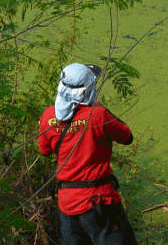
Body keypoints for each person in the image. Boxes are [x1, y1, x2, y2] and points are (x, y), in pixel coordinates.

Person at [38, 62, 138, 245]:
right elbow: (127, 136)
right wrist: (101, 107)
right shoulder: (98, 116)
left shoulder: (47, 117)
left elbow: (44, 150)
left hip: (67, 205)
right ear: (87, 90)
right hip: (99, 200)